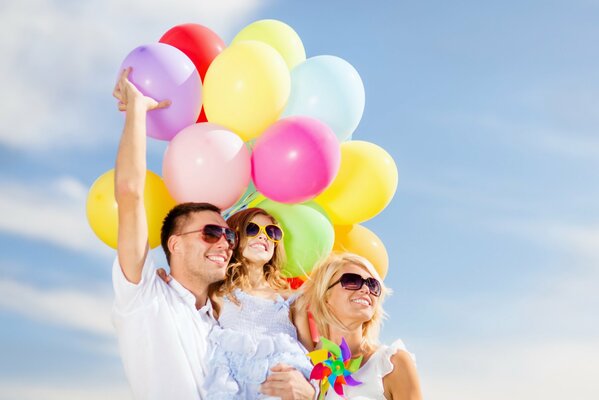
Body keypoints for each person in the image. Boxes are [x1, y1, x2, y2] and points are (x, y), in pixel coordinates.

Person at [111, 68, 314, 400]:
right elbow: (130, 194)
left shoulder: (221, 323)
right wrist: (137, 110)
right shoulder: (146, 296)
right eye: (210, 232)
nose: (224, 242)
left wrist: (309, 390)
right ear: (174, 243)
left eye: (228, 236)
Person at [203, 207, 314, 399]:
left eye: (272, 233)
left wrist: (312, 391)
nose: (264, 237)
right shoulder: (217, 292)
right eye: (252, 229)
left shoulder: (291, 299)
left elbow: (311, 357)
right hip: (237, 390)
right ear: (234, 237)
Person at [297, 253, 423, 400]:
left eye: (373, 285)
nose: (365, 289)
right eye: (351, 281)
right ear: (325, 297)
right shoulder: (307, 366)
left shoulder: (391, 363)